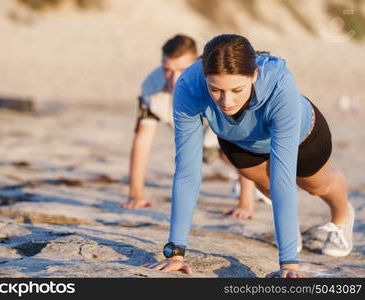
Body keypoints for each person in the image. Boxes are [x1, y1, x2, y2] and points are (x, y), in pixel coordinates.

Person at [146, 34, 355, 278]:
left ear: (254, 75)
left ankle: (343, 217)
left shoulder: (279, 83)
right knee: (266, 188)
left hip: (302, 134)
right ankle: (289, 229)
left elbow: (283, 177)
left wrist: (289, 264)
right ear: (204, 78)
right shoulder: (188, 87)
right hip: (239, 139)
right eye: (215, 90)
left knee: (317, 185)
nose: (226, 101)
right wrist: (175, 253)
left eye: (237, 89)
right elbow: (187, 172)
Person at [121, 34, 264, 216]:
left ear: (199, 64)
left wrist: (245, 205)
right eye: (167, 70)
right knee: (204, 151)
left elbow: (244, 141)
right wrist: (135, 195)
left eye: (182, 70)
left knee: (230, 150)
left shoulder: (218, 83)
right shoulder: (152, 85)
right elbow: (142, 141)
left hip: (245, 138)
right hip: (200, 137)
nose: (174, 80)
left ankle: (255, 185)